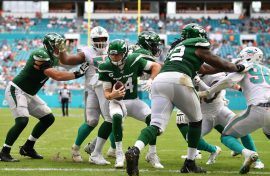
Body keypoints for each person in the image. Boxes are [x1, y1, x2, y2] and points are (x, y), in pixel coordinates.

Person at [124, 23, 247, 176]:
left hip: (160, 81)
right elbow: (216, 61)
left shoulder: (177, 49)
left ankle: (135, 150)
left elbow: (205, 69)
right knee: (196, 121)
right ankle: (190, 162)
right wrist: (236, 67)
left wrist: (227, 67)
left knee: (156, 125)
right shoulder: (197, 44)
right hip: (180, 79)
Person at [0, 33, 88, 162]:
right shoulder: (41, 54)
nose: (60, 48)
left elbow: (66, 64)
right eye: (57, 45)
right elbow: (56, 75)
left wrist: (85, 61)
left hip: (29, 94)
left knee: (48, 118)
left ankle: (28, 147)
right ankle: (4, 152)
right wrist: (78, 73)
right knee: (22, 121)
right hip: (17, 90)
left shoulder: (52, 56)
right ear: (49, 45)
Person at [85, 31, 164, 168]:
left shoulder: (134, 58)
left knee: (153, 120)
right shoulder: (106, 66)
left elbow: (156, 67)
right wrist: (113, 95)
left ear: (125, 54)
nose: (115, 58)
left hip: (133, 99)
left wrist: (151, 80)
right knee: (113, 118)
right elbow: (107, 94)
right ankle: (117, 153)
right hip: (115, 99)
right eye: (112, 54)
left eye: (118, 55)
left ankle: (152, 153)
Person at [199, 46, 267, 174]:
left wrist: (207, 91)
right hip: (206, 113)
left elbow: (228, 81)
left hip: (257, 107)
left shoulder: (244, 67)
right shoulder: (267, 70)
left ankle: (248, 154)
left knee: (226, 136)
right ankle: (256, 160)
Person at [177, 73, 264, 169]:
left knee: (243, 130)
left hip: (221, 111)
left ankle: (257, 160)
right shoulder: (190, 74)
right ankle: (213, 150)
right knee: (190, 138)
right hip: (205, 115)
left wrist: (199, 81)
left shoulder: (216, 74)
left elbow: (211, 94)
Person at [57, 26, 111, 164]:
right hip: (92, 90)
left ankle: (102, 147)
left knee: (113, 120)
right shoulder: (86, 52)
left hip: (108, 90)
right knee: (92, 121)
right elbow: (67, 61)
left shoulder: (113, 49)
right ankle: (75, 148)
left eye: (103, 39)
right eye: (97, 39)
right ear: (92, 40)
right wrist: (62, 50)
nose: (100, 42)